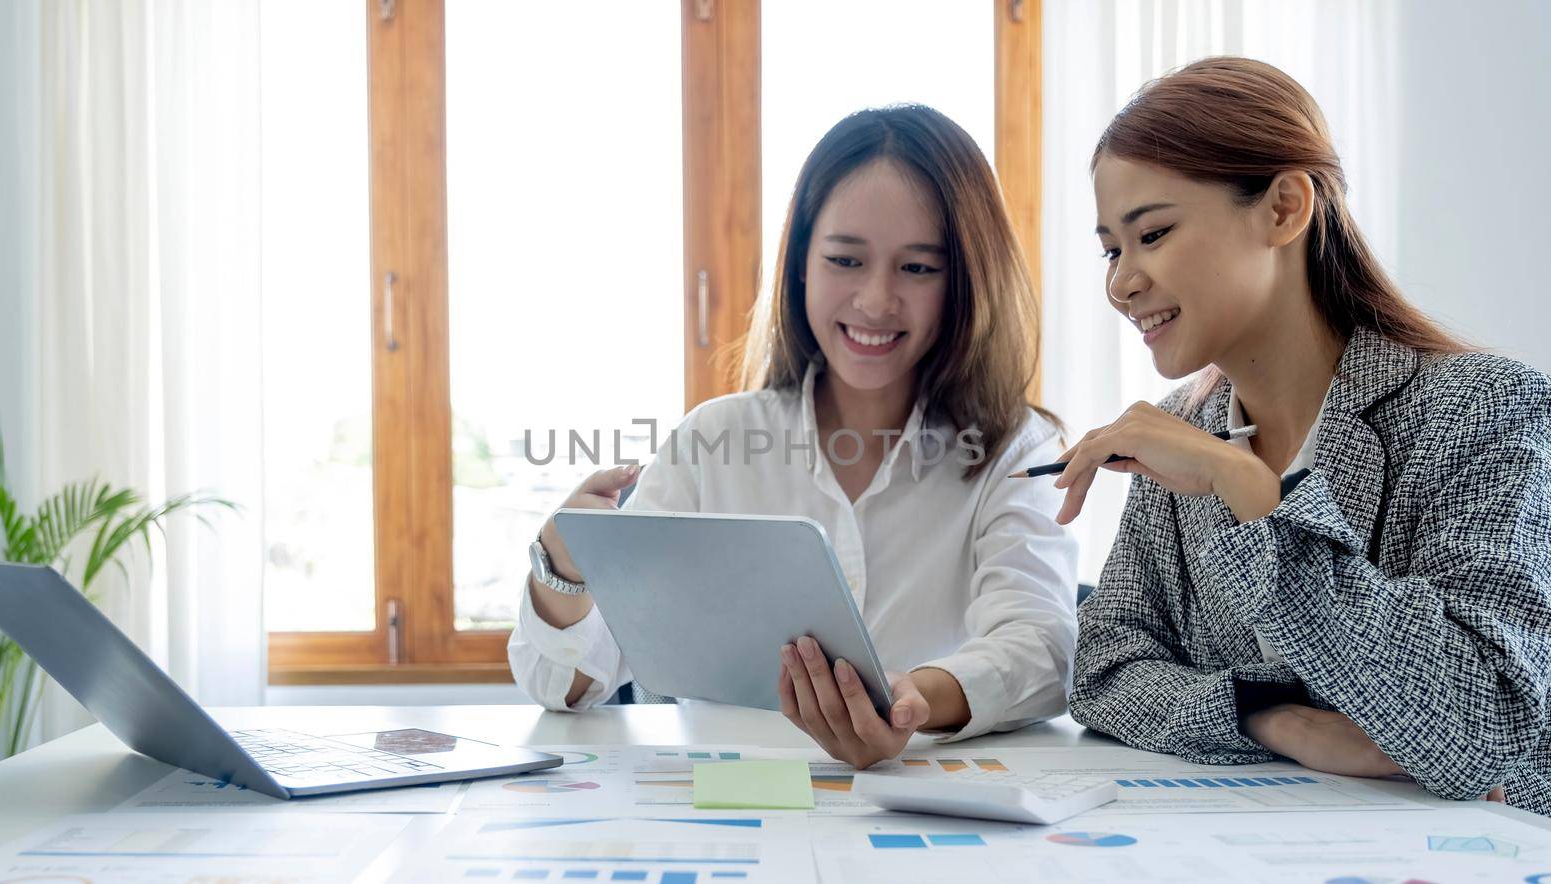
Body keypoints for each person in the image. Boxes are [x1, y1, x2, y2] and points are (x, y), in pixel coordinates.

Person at [509, 104, 1079, 768]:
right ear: (801, 264)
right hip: (733, 816)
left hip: (933, 809)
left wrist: (911, 702)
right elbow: (570, 688)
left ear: (966, 282)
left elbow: (1041, 648)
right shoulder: (713, 441)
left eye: (918, 268)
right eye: (845, 259)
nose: (875, 300)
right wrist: (565, 567)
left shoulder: (1017, 448)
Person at [1061, 57, 1551, 814]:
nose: (1121, 283)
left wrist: (1254, 496)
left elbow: (1479, 725)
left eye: (1151, 233)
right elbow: (1103, 668)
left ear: (1285, 207)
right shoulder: (1185, 429)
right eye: (1110, 249)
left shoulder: (1487, 408)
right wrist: (1273, 719)